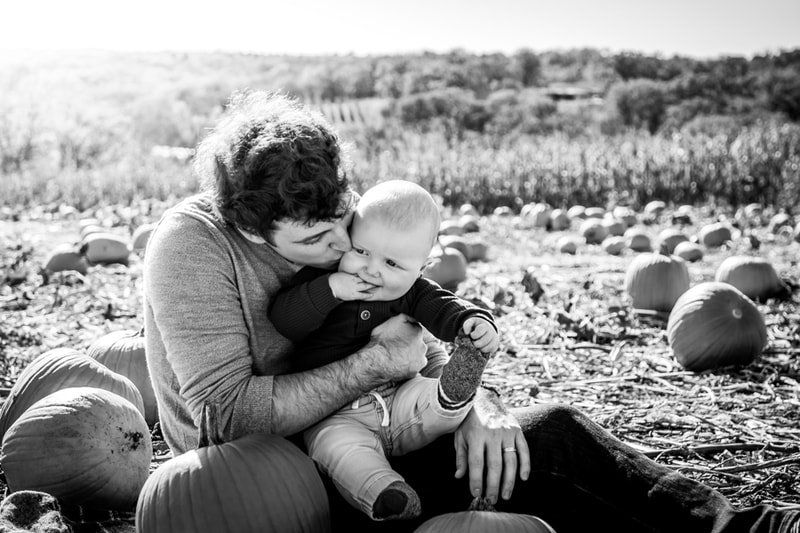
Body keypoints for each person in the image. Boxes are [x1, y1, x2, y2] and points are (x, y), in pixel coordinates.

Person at [142, 90, 800, 532]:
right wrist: (374, 364)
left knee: (536, 437)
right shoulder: (193, 248)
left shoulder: (327, 213)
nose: (343, 249)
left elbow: (411, 325)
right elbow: (226, 416)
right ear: (250, 229)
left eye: (344, 220)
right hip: (274, 483)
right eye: (315, 242)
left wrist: (477, 405)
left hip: (391, 417)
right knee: (558, 452)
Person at [268, 179, 499, 521]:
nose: (372, 269)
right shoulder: (321, 281)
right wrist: (331, 290)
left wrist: (473, 322)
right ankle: (387, 493)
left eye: (392, 264)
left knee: (429, 399)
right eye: (360, 251)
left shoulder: (415, 292)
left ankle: (452, 394)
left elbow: (444, 309)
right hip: (334, 412)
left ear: (421, 268)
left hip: (401, 394)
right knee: (337, 449)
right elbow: (285, 320)